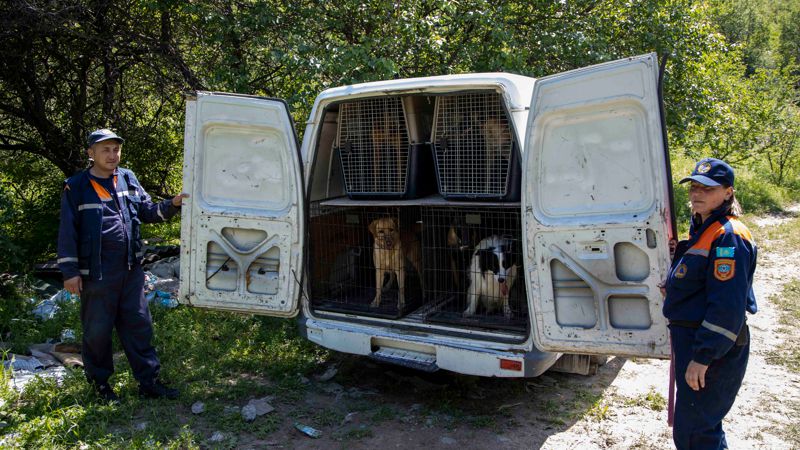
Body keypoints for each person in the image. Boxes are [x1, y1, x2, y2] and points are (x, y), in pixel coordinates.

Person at [57, 128, 188, 402]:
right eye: (105, 149)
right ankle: (101, 387)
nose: (112, 154)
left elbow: (147, 212)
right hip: (97, 274)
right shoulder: (77, 186)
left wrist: (173, 203)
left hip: (131, 270)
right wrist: (70, 273)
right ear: (90, 153)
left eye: (116, 149)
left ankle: (149, 383)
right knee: (97, 332)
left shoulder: (127, 178)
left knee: (140, 326)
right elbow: (67, 232)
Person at [663, 158, 757, 449]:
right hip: (693, 340)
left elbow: (727, 308)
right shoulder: (704, 229)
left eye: (707, 188)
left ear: (728, 192)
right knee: (700, 429)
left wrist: (703, 357)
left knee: (696, 434)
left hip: (711, 349)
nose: (696, 193)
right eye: (693, 186)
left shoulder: (729, 237)